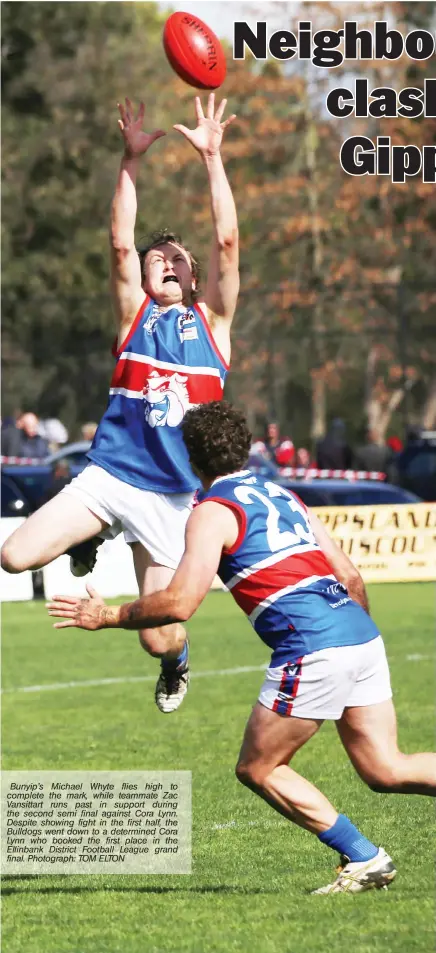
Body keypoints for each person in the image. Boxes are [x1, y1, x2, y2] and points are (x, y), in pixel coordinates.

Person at [47, 400, 436, 894]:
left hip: (312, 646)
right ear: (245, 448)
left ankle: (364, 857)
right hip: (358, 633)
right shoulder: (284, 494)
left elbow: (180, 602)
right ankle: (364, 858)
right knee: (387, 767)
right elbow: (351, 576)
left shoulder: (212, 511)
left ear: (190, 459)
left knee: (258, 767)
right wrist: (356, 641)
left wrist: (107, 616)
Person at [2, 94, 239, 715]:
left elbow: (228, 241)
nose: (163, 260)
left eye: (176, 259)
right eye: (154, 257)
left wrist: (213, 159)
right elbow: (117, 242)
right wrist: (129, 161)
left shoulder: (213, 325)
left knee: (158, 635)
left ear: (193, 279)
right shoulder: (134, 317)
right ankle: (99, 528)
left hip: (175, 498)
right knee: (12, 556)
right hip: (111, 475)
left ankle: (176, 661)